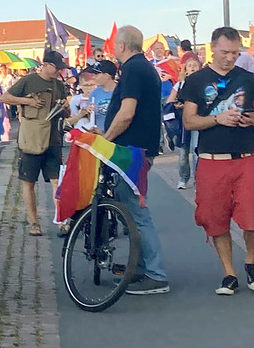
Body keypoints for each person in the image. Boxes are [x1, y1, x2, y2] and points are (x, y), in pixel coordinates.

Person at [181, 27, 254, 295]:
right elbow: (189, 121)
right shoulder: (197, 80)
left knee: (251, 214)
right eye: (225, 52)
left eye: (235, 53)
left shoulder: (249, 79)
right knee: (215, 217)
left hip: (247, 157)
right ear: (213, 48)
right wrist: (216, 119)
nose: (230, 58)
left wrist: (251, 119)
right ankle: (229, 273)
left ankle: (250, 261)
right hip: (213, 159)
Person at [100, 25, 170, 295]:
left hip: (131, 150)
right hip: (138, 148)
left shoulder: (132, 69)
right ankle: (141, 267)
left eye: (115, 44)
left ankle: (155, 273)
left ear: (122, 46)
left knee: (137, 213)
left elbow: (127, 112)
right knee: (131, 212)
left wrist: (106, 137)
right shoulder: (143, 68)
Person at [1, 51, 69, 236]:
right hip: (31, 138)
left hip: (53, 138)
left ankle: (61, 220)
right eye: (57, 67)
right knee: (29, 182)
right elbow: (5, 97)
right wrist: (27, 101)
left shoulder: (59, 85)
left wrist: (65, 106)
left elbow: (66, 112)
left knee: (57, 182)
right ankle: (34, 223)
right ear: (46, 65)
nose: (59, 72)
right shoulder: (28, 81)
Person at [168, 55, 202, 189]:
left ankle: (197, 178)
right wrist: (178, 105)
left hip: (197, 120)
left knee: (195, 150)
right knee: (183, 153)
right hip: (182, 123)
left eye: (195, 65)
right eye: (190, 65)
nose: (193, 67)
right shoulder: (180, 84)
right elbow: (169, 102)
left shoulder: (203, 84)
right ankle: (183, 178)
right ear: (185, 69)